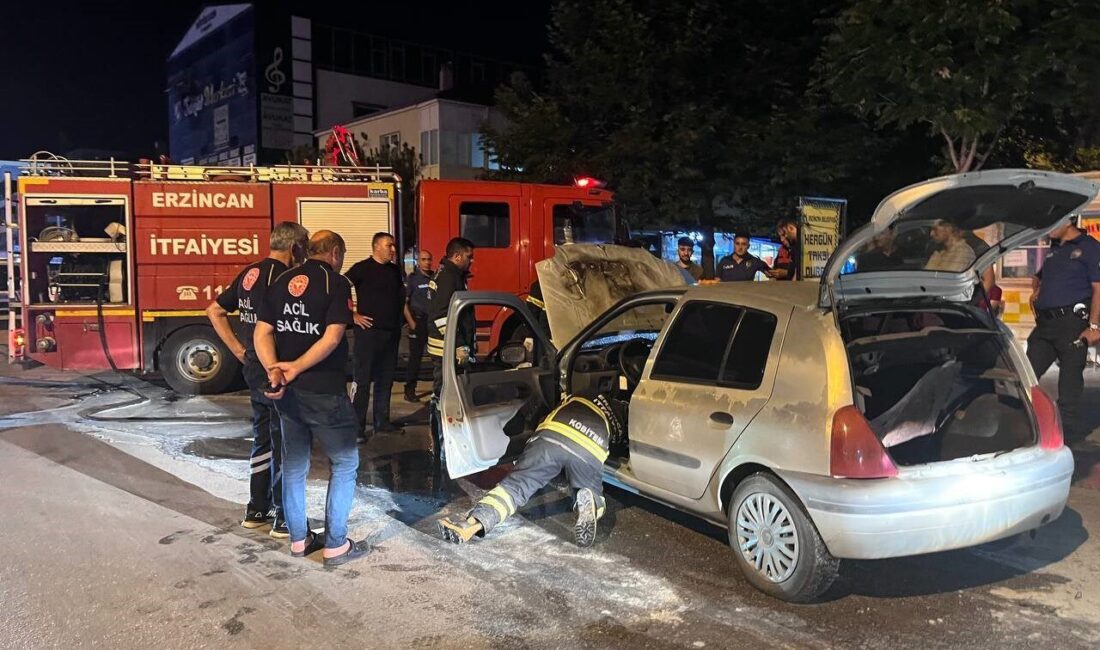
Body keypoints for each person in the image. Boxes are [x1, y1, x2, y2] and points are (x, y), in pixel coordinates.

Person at [254, 231, 369, 567]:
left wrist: (275, 370)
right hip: (324, 391)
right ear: (334, 252)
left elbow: (261, 332)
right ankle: (335, 544)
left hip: (287, 395)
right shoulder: (337, 284)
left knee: (293, 466)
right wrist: (296, 367)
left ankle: (298, 540)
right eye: (342, 254)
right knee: (345, 463)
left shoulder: (281, 280)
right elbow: (333, 337)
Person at [206, 221, 308, 537]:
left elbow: (215, 310)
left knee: (263, 437)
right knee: (284, 441)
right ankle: (282, 516)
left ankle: (256, 509)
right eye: (303, 247)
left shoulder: (250, 274)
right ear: (295, 248)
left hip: (252, 367)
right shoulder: (285, 278)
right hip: (274, 369)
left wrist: (239, 349)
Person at [437, 394, 623, 547]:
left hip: (552, 434)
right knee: (591, 489)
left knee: (514, 488)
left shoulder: (576, 395)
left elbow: (539, 416)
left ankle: (473, 522)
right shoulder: (621, 410)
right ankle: (588, 501)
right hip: (589, 446)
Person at [1027, 217, 1100, 442]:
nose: (1047, 231)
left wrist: (1095, 327)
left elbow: (1099, 288)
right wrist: (1038, 292)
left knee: (1069, 382)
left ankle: (1065, 437)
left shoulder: (1089, 247)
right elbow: (1039, 277)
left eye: (1051, 225)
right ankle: (1025, 421)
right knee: (1025, 373)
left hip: (1072, 323)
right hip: (1045, 325)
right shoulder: (1054, 249)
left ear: (1068, 221)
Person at [345, 232, 406, 435]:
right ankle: (356, 427)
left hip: (391, 334)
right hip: (368, 335)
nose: (393, 250)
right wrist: (352, 314)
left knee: (386, 379)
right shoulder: (362, 269)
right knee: (362, 381)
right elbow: (341, 287)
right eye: (389, 245)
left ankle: (382, 422)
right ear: (376, 247)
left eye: (394, 246)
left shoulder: (395, 271)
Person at [426, 237, 477, 401]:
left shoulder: (449, 274)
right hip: (446, 348)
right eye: (469, 257)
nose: (472, 261)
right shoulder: (448, 277)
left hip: (448, 345)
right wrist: (459, 344)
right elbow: (441, 315)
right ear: (457, 256)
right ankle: (440, 424)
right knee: (445, 394)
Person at [402, 249, 433, 403]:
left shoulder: (434, 277)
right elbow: (404, 303)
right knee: (415, 358)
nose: (427, 262)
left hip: (431, 322)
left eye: (429, 259)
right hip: (418, 321)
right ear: (418, 261)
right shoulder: (413, 279)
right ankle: (409, 390)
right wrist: (411, 323)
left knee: (436, 357)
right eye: (424, 259)